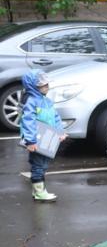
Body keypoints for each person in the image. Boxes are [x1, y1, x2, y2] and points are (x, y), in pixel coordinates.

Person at [20, 70, 67, 202]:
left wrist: (60, 131)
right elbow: (28, 121)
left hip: (47, 138)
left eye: (47, 84)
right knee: (38, 166)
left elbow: (56, 117)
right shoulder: (31, 101)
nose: (47, 87)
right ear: (32, 86)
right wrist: (30, 141)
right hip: (37, 140)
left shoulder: (46, 101)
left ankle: (38, 191)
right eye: (42, 85)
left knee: (42, 165)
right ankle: (40, 193)